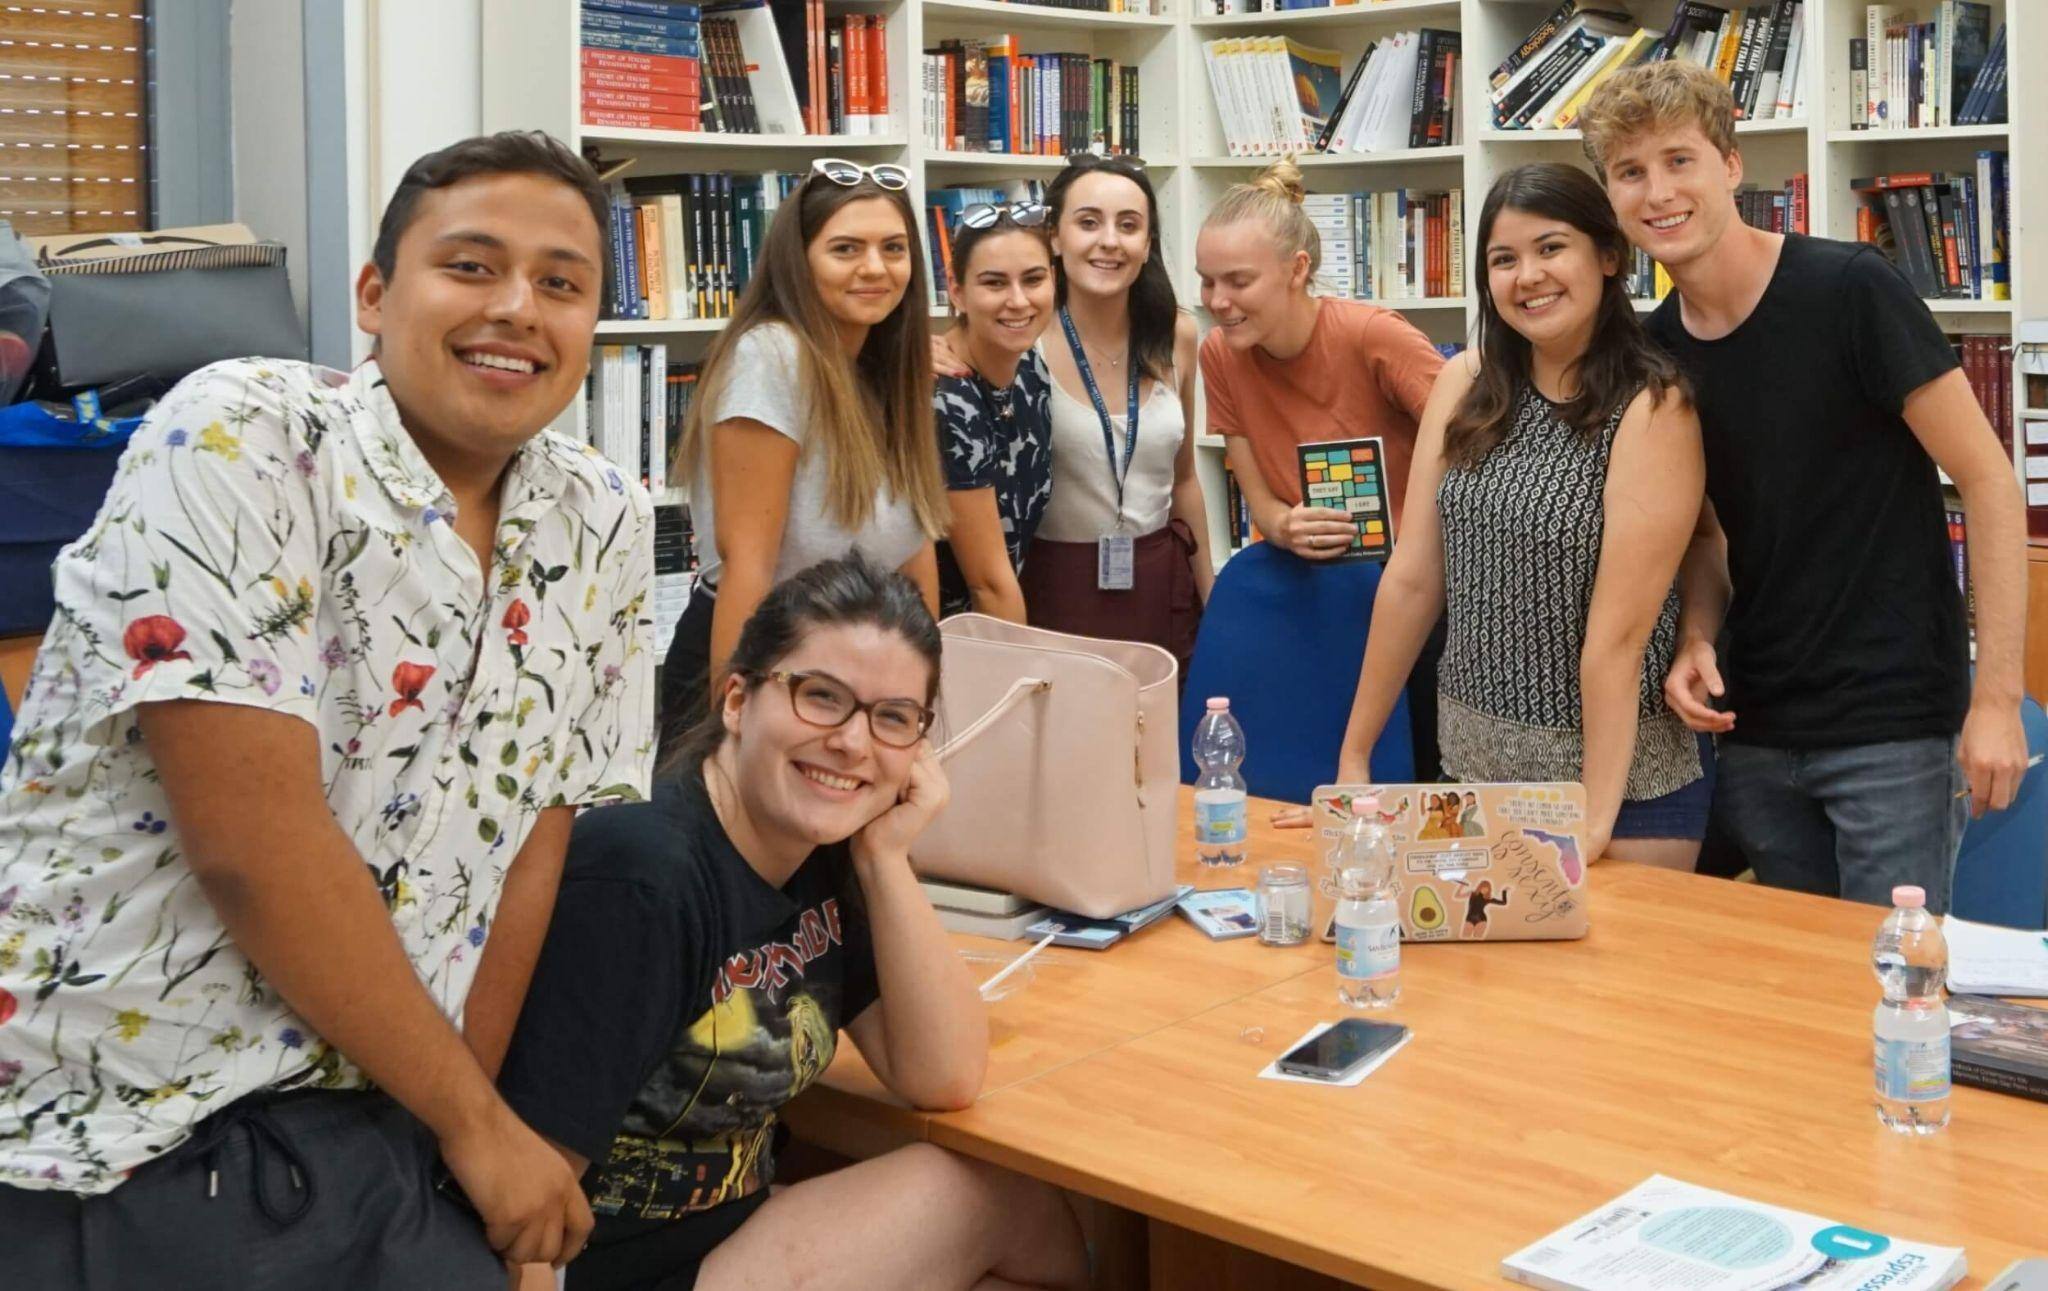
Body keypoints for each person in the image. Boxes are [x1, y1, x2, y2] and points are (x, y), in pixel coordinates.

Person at [0, 132, 653, 1285]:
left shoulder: (601, 515)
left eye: (561, 284)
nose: (516, 307)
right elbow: (254, 843)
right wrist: (477, 1130)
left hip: (384, 1111)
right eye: (469, 265)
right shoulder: (244, 430)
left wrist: (457, 1135)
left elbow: (534, 841)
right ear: (371, 294)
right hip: (127, 1127)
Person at [499, 557, 1090, 1291]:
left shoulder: (826, 852)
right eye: (821, 697)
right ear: (739, 699)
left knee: (1025, 1240)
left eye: (893, 718)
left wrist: (883, 855)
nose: (851, 741)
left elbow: (944, 1073)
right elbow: (520, 1186)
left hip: (726, 1238)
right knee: (1006, 1200)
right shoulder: (645, 880)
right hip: (617, 1269)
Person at [1579, 63, 2030, 911]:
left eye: (1680, 160)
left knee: (1886, 999)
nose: (1658, 192)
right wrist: (1697, 636)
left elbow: (1990, 483)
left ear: (1731, 166)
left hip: (1891, 727)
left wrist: (1998, 698)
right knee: (1793, 1004)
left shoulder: (1850, 289)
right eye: (1630, 172)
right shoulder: (1653, 349)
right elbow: (1708, 536)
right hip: (1752, 730)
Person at [1297, 163, 1711, 869]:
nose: (1528, 276)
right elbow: (1414, 580)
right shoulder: (1465, 381)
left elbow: (1619, 639)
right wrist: (1355, 754)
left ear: (1608, 257)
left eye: (1551, 248)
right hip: (1470, 777)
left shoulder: (1652, 407)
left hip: (1626, 791)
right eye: (1503, 259)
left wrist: (1596, 818)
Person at [660, 159, 948, 734]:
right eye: (846, 249)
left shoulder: (885, 368)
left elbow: (913, 559)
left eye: (893, 248)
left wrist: (918, 706)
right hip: (762, 665)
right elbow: (748, 564)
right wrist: (732, 730)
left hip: (855, 674)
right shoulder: (772, 356)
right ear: (800, 262)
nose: (875, 268)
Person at [1194, 157, 1449, 775]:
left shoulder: (1371, 336)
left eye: (1237, 281)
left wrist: (1413, 537)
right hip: (1313, 591)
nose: (1217, 302)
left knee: (1411, 763)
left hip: (1415, 593)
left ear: (1297, 270)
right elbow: (1260, 501)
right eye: (1207, 282)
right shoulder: (1219, 356)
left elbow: (1474, 436)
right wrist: (1285, 527)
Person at [962, 154, 1212, 674]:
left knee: (1162, 746)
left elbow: (1185, 479)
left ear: (1148, 244)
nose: (1109, 242)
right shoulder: (1021, 334)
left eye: (1129, 225)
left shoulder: (1178, 335)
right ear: (1054, 237)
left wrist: (1213, 597)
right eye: (1088, 222)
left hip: (1161, 584)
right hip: (1055, 587)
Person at [933, 201, 1057, 621]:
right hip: (941, 646)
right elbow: (987, 586)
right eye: (994, 283)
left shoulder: (1031, 370)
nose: (1018, 301)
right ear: (956, 290)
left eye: (1034, 279)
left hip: (994, 631)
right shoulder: (944, 398)